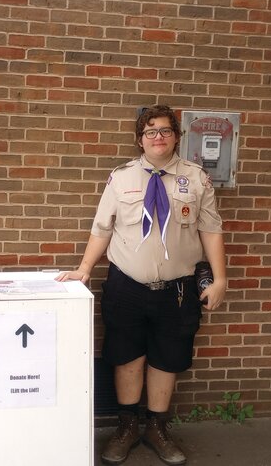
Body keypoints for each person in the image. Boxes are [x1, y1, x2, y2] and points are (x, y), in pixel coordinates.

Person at [56, 105, 226, 466]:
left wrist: (221, 278)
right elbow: (102, 228)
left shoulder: (196, 179)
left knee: (167, 360)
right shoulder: (121, 178)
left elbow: (211, 230)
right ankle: (127, 427)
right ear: (140, 140)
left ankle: (157, 428)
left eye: (165, 130)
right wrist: (84, 269)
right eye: (150, 132)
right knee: (126, 358)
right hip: (126, 287)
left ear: (177, 137)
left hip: (178, 290)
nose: (158, 137)